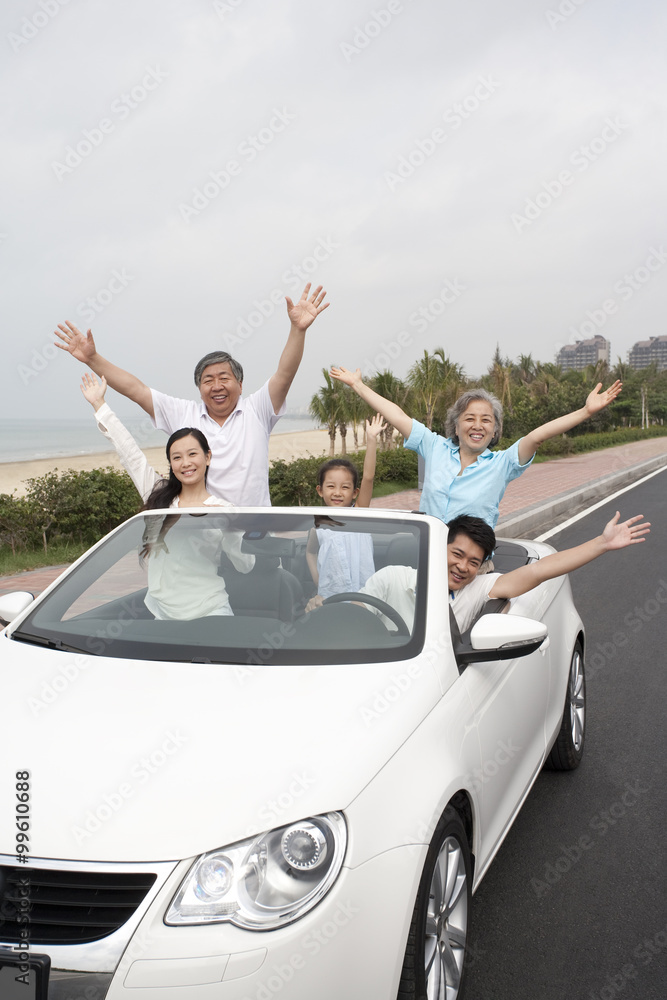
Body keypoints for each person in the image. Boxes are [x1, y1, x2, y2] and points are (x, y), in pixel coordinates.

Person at [56, 283, 330, 507]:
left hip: (255, 533)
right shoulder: (184, 415)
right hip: (201, 532)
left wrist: (297, 330)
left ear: (241, 384)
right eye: (208, 380)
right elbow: (137, 390)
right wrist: (93, 359)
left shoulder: (257, 410)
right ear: (199, 388)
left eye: (225, 378)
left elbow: (284, 374)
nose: (217, 386)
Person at [329, 366, 622, 528]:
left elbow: (537, 436)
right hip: (427, 557)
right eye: (469, 418)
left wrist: (585, 412)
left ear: (495, 430)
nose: (477, 425)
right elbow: (398, 416)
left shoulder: (502, 464)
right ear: (456, 426)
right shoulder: (435, 448)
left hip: (471, 565)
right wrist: (357, 385)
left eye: (486, 420)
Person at [80, 373, 254, 620]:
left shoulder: (223, 508)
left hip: (211, 610)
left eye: (193, 454)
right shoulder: (159, 496)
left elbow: (245, 565)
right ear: (171, 464)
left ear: (208, 456)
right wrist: (99, 404)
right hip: (160, 613)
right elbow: (130, 455)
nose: (186, 463)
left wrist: (231, 531)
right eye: (177, 457)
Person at [356, 512, 649, 632]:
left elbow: (538, 571)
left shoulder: (478, 588)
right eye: (457, 554)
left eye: (473, 561)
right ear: (437, 548)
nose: (462, 567)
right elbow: (352, 615)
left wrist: (602, 543)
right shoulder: (390, 577)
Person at [305, 414, 385, 610]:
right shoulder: (318, 525)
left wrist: (372, 440)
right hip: (330, 600)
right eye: (331, 486)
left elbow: (368, 477)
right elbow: (310, 551)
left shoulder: (360, 514)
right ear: (320, 490)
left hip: (365, 599)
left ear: (355, 492)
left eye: (345, 487)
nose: (338, 493)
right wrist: (318, 581)